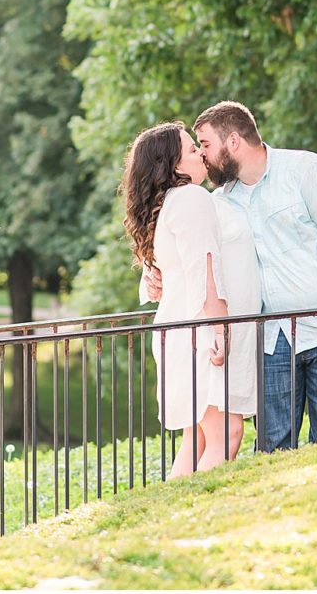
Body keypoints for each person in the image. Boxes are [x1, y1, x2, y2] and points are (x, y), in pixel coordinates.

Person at [143, 100, 317, 451]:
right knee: (272, 449)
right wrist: (153, 272)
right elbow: (190, 248)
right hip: (270, 339)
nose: (202, 155)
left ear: (233, 141)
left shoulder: (308, 171)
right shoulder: (219, 201)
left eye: (205, 144)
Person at [122, 121, 259, 476]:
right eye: (191, 149)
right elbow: (204, 267)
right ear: (173, 164)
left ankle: (173, 507)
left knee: (196, 438)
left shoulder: (170, 202)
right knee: (226, 433)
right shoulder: (192, 199)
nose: (200, 153)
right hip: (202, 334)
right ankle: (202, 506)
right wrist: (220, 328)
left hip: (183, 332)